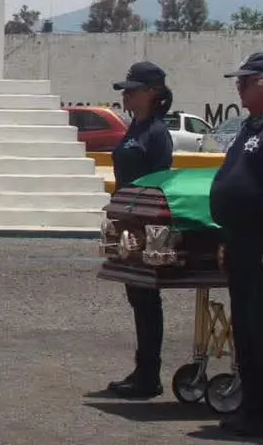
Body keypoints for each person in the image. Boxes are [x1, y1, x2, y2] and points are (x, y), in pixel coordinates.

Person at [208, 52, 263, 438]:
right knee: (246, 332)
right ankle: (252, 409)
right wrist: (228, 238)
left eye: (245, 81)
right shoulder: (252, 126)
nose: (239, 88)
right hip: (243, 244)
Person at [105, 61, 174, 399]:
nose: (126, 95)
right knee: (137, 296)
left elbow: (160, 182)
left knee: (147, 298)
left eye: (133, 90)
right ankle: (142, 370)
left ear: (152, 92)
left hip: (146, 222)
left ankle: (149, 374)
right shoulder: (136, 127)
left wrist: (148, 228)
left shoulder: (157, 132)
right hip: (127, 220)